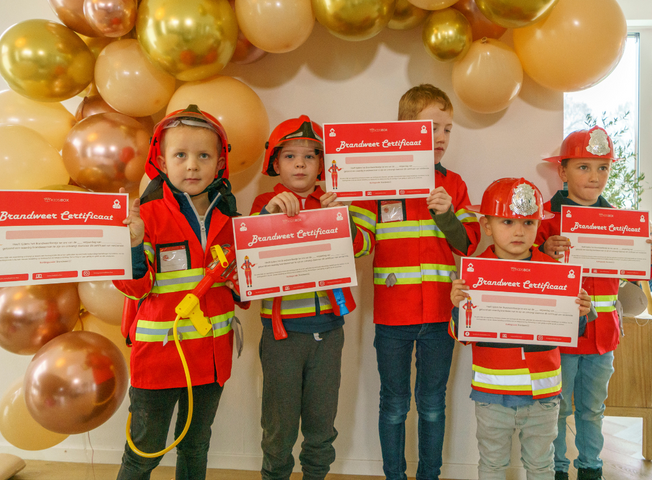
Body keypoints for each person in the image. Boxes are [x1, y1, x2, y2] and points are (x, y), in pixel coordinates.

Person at [350, 84, 481, 480]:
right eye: (432, 127)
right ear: (404, 128)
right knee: (393, 404)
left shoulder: (454, 185)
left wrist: (446, 214)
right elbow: (361, 246)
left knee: (432, 405)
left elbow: (469, 246)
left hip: (441, 316)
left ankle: (430, 475)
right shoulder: (375, 184)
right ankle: (395, 476)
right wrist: (337, 218)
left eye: (447, 130)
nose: (440, 138)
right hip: (392, 319)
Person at [113, 105, 245, 480]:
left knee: (196, 447)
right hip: (158, 361)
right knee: (143, 455)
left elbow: (243, 293)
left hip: (211, 360)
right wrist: (134, 245)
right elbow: (135, 287)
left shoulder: (232, 221)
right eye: (181, 155)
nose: (192, 165)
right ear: (162, 160)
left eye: (203, 155)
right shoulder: (147, 218)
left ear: (220, 163)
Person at [535, 126, 652, 480]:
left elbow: (644, 283)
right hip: (559, 335)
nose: (595, 176)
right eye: (583, 167)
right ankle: (557, 469)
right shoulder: (543, 219)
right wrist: (542, 252)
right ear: (562, 171)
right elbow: (522, 269)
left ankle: (590, 467)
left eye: (602, 167)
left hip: (603, 335)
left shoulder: (624, 224)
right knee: (555, 409)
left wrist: (651, 257)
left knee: (593, 409)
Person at [450, 177, 592, 480]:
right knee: (491, 465)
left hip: (543, 395)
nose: (518, 230)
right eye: (507, 221)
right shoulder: (472, 274)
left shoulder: (556, 273)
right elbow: (460, 333)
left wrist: (580, 312)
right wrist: (457, 305)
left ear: (539, 224)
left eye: (528, 222)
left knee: (541, 466)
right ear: (487, 225)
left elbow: (571, 332)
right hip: (492, 393)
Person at [250, 115, 363, 480]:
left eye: (310, 156)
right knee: (279, 425)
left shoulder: (332, 203)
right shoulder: (262, 204)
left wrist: (341, 218)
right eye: (290, 156)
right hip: (282, 335)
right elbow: (246, 256)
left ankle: (316, 475)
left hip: (329, 332)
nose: (300, 163)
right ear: (276, 163)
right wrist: (267, 216)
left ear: (321, 165)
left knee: (321, 423)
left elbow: (362, 248)